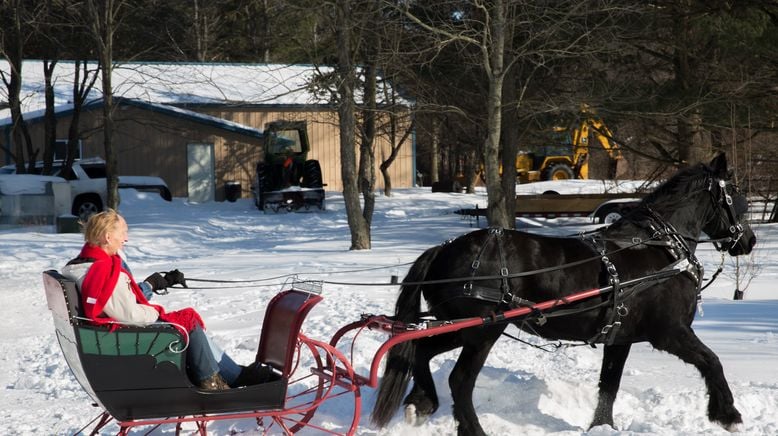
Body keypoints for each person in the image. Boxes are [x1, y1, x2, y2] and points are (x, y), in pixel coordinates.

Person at [62, 209, 264, 390]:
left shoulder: (85, 265)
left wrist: (152, 286)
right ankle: (214, 380)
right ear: (108, 237)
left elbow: (117, 302)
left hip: (107, 337)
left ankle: (233, 374)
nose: (126, 239)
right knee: (187, 324)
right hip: (124, 340)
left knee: (185, 321)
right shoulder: (104, 270)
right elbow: (129, 314)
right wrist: (156, 311)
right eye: (123, 232)